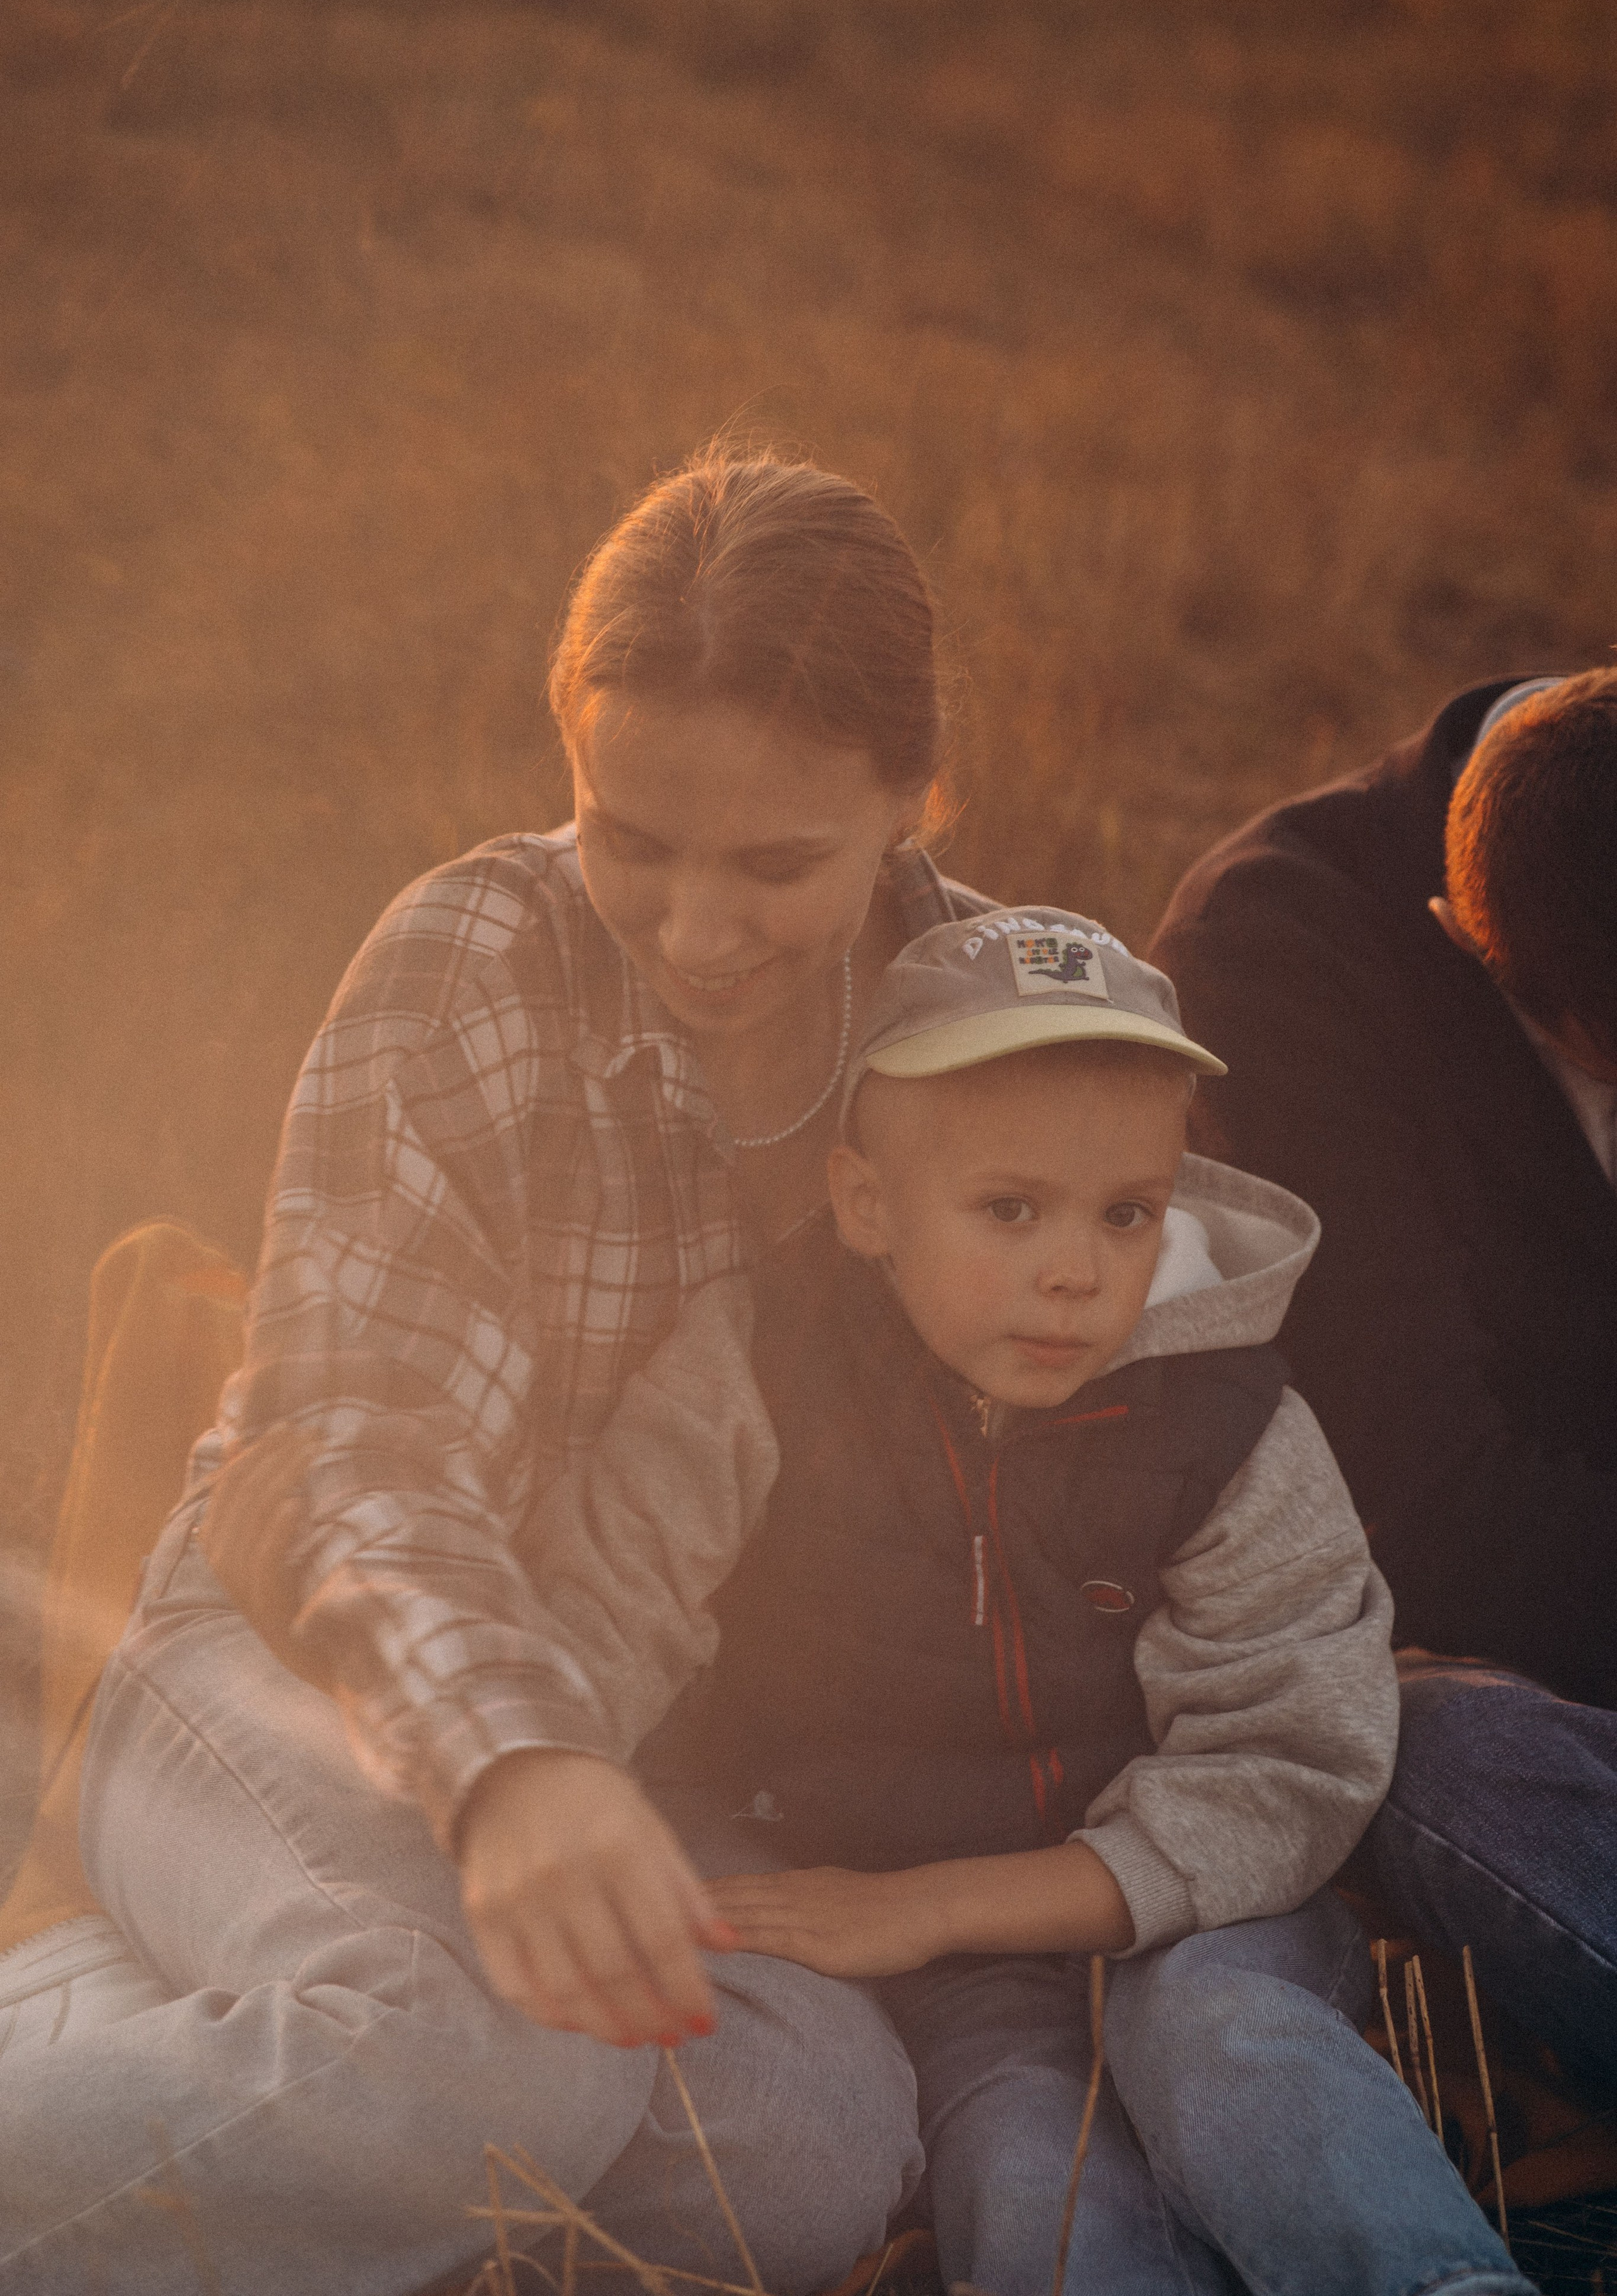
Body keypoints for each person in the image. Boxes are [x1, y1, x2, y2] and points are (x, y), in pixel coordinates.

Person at [0, 453, 989, 2294]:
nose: (696, 930)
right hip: (290, 1676)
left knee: (807, 2159)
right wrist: (514, 1762)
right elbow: (359, 1447)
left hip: (673, 1780)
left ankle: (113, 2034)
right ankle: (291, 2041)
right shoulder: (472, 960)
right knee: (484, 2061)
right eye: (633, 838)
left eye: (778, 864)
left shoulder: (980, 1019)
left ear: (915, 800)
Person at [459, 908, 1532, 2296]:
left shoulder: (1223, 1415)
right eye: (1008, 1210)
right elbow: (605, 1614)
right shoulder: (762, 1372)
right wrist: (520, 1797)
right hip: (935, 1951)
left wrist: (934, 1906)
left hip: (1194, 1913)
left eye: (1125, 1213)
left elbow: (1285, 1753)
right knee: (1032, 2163)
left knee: (1222, 2050)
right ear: (865, 1205)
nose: (1075, 1271)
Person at [1149, 669, 1617, 2094]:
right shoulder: (1278, 961)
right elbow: (1428, 1498)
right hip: (1519, 1656)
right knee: (1433, 1759)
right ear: (1467, 950)